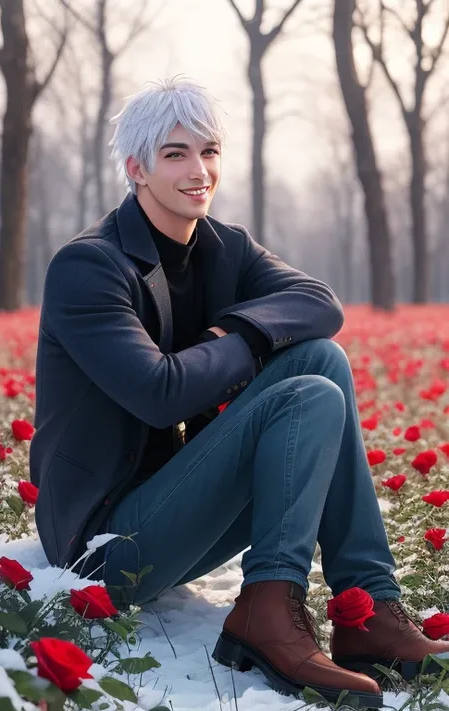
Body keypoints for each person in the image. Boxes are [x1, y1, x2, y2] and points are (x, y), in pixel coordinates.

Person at [29, 77, 449, 707]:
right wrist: (249, 342)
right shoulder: (88, 266)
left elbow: (320, 305)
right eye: (176, 154)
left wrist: (232, 328)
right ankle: (268, 610)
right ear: (135, 167)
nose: (199, 171)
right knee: (309, 395)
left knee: (321, 359)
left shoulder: (226, 249)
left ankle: (370, 616)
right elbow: (159, 393)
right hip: (105, 547)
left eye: (210, 151)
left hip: (181, 508)